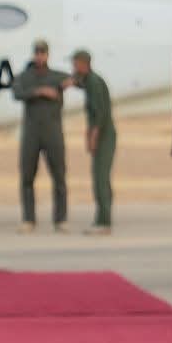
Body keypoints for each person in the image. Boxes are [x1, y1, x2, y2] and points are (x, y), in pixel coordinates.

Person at [14, 39, 70, 233]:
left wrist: (66, 85)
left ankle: (60, 220)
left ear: (47, 55)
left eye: (43, 53)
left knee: (59, 177)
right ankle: (29, 219)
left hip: (53, 132)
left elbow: (76, 79)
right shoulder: (25, 77)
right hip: (31, 133)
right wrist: (40, 91)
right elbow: (17, 93)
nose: (40, 56)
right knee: (27, 177)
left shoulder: (57, 76)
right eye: (37, 53)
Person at [70, 49, 115, 235]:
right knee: (101, 178)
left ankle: (104, 221)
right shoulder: (90, 80)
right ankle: (103, 218)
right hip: (103, 133)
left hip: (103, 135)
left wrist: (92, 139)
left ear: (83, 63)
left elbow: (99, 115)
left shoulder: (94, 83)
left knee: (100, 178)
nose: (73, 67)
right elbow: (79, 83)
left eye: (75, 63)